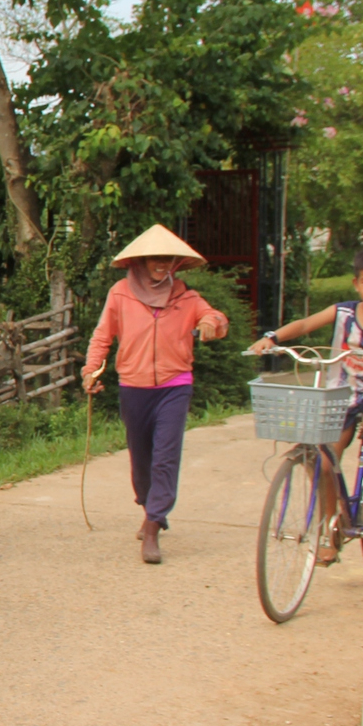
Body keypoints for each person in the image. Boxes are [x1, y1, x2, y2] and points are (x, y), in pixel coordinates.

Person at [247, 246, 363, 565]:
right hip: (340, 394)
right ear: (355, 284)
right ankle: (330, 529)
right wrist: (273, 338)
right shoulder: (343, 313)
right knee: (320, 460)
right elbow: (305, 325)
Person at [81, 224, 230, 564]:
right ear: (142, 261)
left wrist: (211, 324)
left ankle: (152, 528)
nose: (163, 266)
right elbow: (102, 336)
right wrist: (90, 370)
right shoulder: (120, 294)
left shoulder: (186, 297)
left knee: (165, 456)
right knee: (141, 459)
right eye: (156, 260)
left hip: (174, 387)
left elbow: (214, 316)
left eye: (169, 261)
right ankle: (150, 507)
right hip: (133, 387)